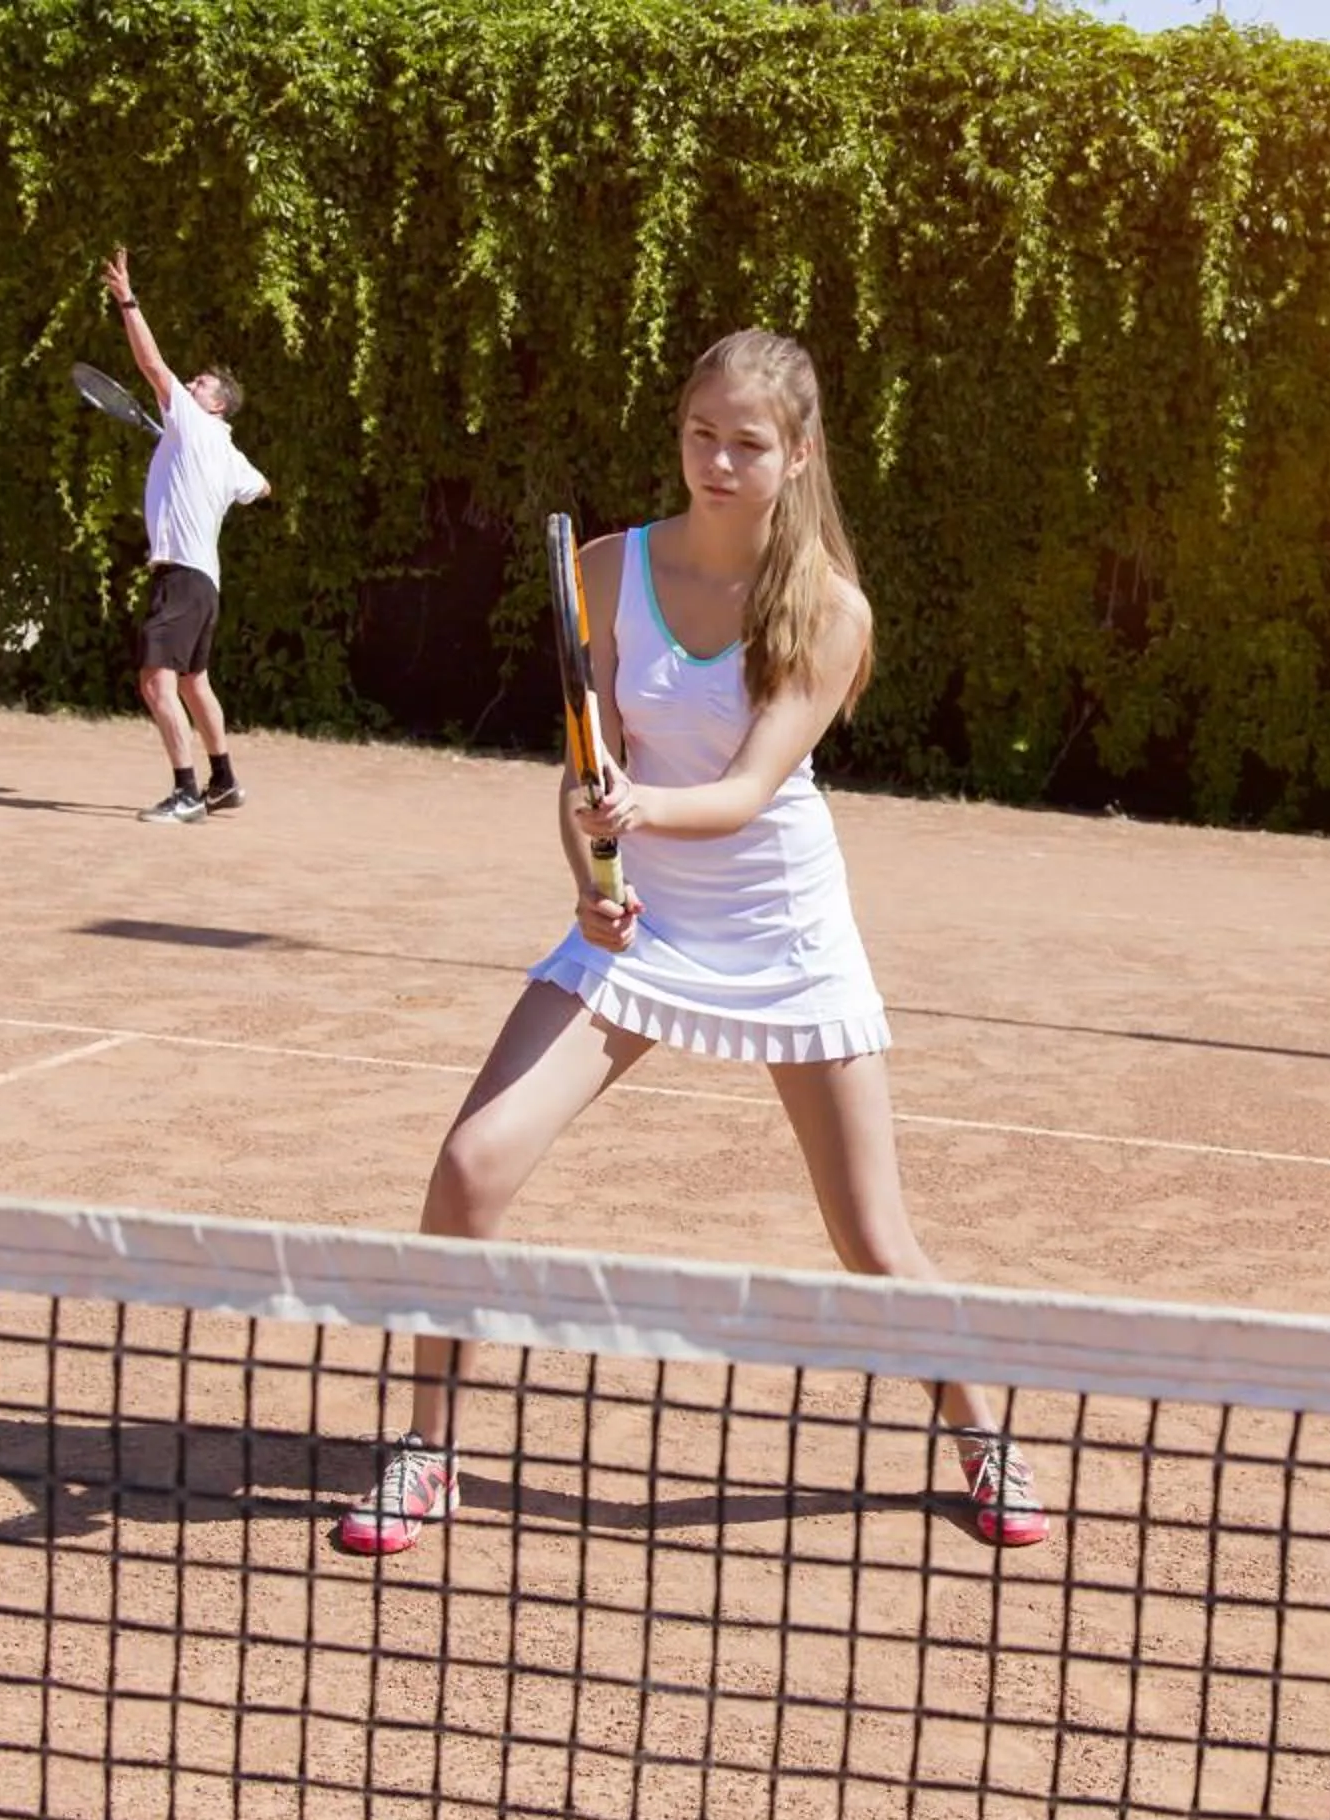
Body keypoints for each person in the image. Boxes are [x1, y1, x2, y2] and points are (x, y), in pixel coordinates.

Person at [335, 328, 1049, 1555]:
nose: (718, 461)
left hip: (783, 924)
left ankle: (985, 1431)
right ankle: (430, 1446)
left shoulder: (829, 611)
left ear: (800, 453)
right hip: (641, 925)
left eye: (748, 443)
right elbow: (585, 770)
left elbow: (745, 789)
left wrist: (634, 810)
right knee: (470, 1164)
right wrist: (589, 881)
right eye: (699, 434)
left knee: (871, 1234)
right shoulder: (610, 570)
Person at [98, 249, 270, 825]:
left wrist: (128, 299)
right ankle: (223, 781)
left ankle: (187, 792)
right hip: (206, 584)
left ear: (215, 403)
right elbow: (263, 487)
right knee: (195, 683)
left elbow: (149, 363)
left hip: (180, 578)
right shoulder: (230, 453)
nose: (189, 382)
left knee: (156, 683)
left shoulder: (193, 421)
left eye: (199, 383)